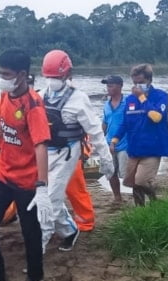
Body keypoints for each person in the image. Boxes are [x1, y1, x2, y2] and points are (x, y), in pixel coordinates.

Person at [0, 48, 50, 281]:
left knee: (30, 231)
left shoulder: (34, 105)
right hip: (4, 173)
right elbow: (3, 126)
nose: (1, 79)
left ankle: (36, 276)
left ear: (22, 74)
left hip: (28, 181)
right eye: (0, 73)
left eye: (6, 74)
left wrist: (42, 185)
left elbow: (41, 145)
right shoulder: (6, 96)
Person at [38, 50, 113, 252]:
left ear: (67, 74)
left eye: (57, 76)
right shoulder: (39, 96)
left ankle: (37, 250)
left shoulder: (79, 99)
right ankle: (69, 230)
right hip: (44, 153)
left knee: (49, 201)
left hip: (68, 154)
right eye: (49, 76)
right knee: (41, 195)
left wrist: (106, 160)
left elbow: (95, 131)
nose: (53, 80)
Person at [110, 64, 168, 205]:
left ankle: (155, 201)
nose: (137, 85)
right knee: (133, 183)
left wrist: (142, 98)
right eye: (135, 82)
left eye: (141, 82)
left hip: (153, 148)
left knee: (141, 180)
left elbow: (156, 117)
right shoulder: (130, 99)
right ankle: (140, 211)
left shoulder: (162, 96)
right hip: (134, 149)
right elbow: (125, 123)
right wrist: (114, 140)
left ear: (149, 80)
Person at [101, 75, 128, 204]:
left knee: (126, 174)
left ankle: (138, 194)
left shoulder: (128, 102)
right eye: (107, 85)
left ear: (120, 86)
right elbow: (105, 123)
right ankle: (117, 197)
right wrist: (100, 139)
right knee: (111, 172)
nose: (108, 88)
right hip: (108, 143)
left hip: (125, 143)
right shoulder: (106, 104)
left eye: (111, 85)